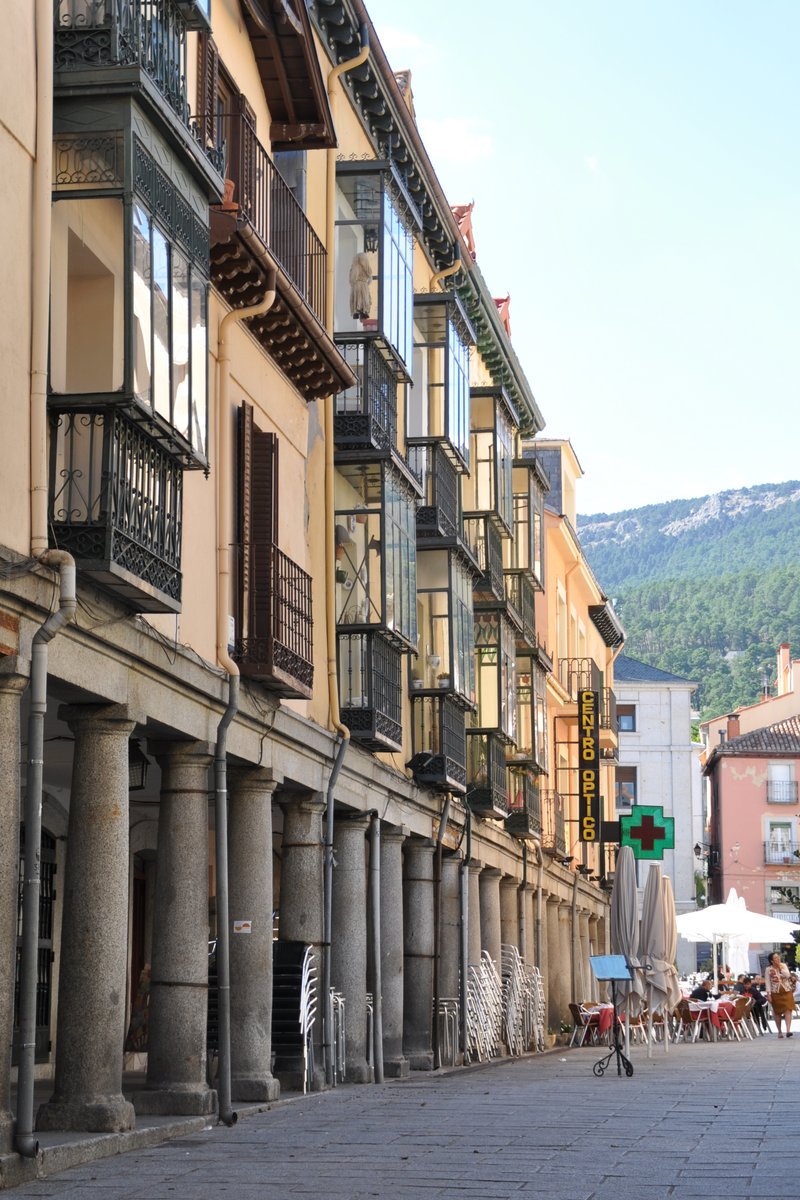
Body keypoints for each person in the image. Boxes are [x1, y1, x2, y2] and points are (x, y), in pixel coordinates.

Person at [765, 951, 795, 1038]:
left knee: (788, 1010)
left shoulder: (783, 965)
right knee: (777, 1012)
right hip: (775, 992)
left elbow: (788, 975)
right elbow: (767, 982)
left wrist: (780, 968)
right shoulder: (768, 969)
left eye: (778, 957)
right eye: (775, 958)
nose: (778, 959)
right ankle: (779, 1031)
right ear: (771, 961)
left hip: (787, 991)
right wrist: (769, 994)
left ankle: (788, 1030)